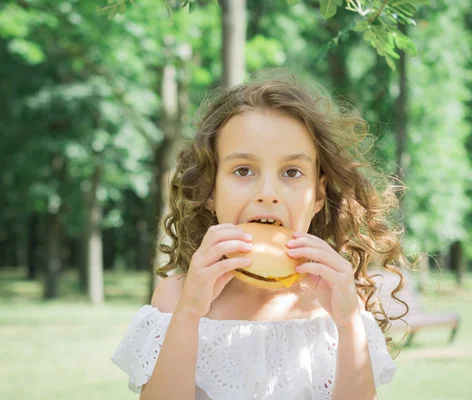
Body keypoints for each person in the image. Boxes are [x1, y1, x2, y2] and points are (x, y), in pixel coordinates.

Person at [111, 70, 410, 400]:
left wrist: (349, 322)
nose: (268, 193)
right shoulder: (175, 299)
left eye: (292, 172)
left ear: (318, 196)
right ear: (210, 190)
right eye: (243, 170)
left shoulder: (343, 303)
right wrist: (189, 313)